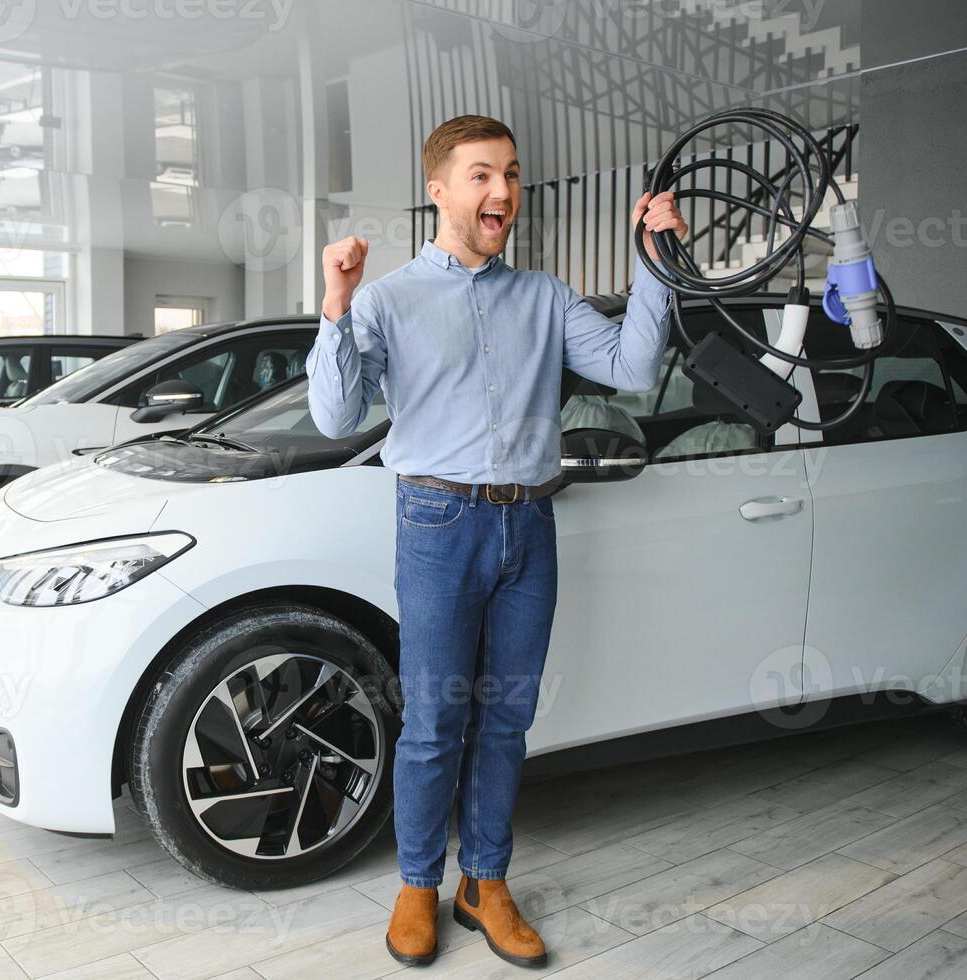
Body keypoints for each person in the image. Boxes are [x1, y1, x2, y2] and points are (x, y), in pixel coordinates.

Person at [305, 114, 686, 969]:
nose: (501, 193)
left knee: (506, 719)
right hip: (437, 525)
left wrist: (654, 263)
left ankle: (484, 882)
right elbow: (335, 415)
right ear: (437, 189)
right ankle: (416, 887)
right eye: (480, 176)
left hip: (531, 524)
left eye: (510, 175)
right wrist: (334, 306)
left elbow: (631, 368)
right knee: (435, 720)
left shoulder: (544, 298)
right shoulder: (389, 299)